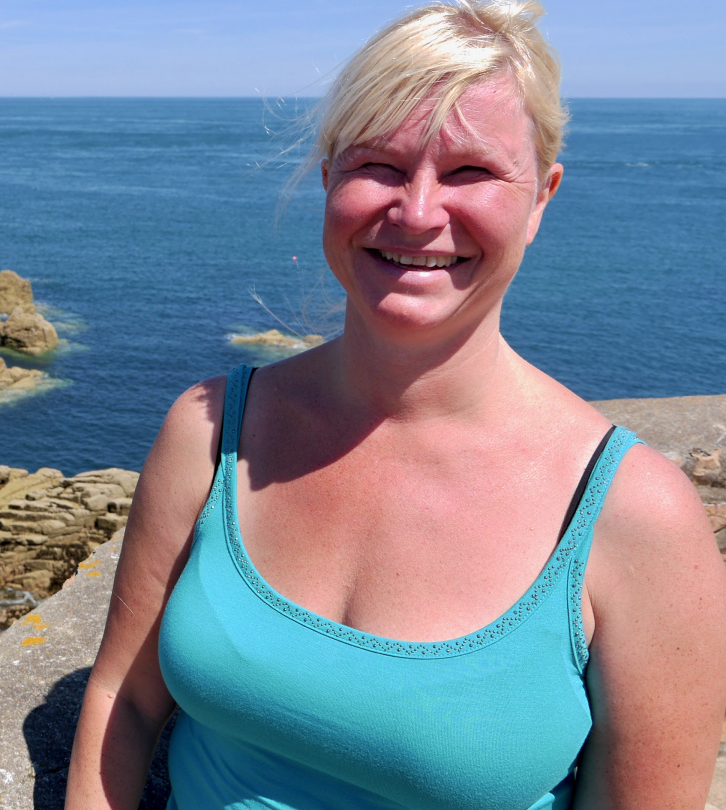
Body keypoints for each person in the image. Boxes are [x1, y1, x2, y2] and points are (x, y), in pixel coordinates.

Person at [65, 1, 726, 808]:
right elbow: (123, 702)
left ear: (542, 197)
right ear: (329, 181)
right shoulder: (212, 433)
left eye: (471, 172)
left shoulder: (632, 515)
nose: (416, 212)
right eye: (378, 164)